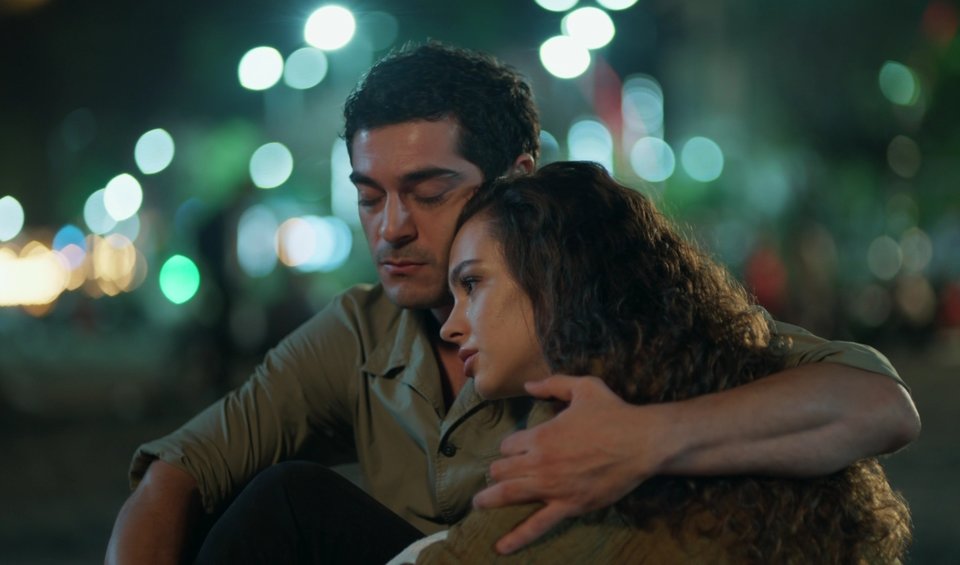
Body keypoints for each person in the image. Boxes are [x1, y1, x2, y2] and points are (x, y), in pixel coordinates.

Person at [105, 42, 919, 564]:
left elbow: (878, 404)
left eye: (428, 192)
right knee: (273, 502)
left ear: (518, 184)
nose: (392, 227)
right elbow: (179, 472)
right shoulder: (360, 329)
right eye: (370, 196)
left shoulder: (617, 322)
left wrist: (646, 439)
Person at [419, 160, 911, 562]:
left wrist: (640, 439)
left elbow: (885, 406)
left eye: (472, 284)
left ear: (553, 275)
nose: (450, 326)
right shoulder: (695, 363)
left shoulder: (576, 441)